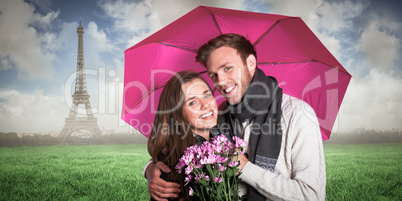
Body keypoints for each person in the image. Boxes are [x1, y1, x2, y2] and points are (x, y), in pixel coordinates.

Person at [145, 33, 326, 201]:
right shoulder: (220, 114)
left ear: (251, 63)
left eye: (228, 68)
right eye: (214, 75)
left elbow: (312, 196)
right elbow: (185, 144)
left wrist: (246, 168)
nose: (221, 82)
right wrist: (151, 169)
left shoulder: (296, 114)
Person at [146, 71, 219, 201]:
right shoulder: (176, 166)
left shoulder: (221, 138)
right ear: (177, 113)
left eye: (207, 95)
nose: (205, 105)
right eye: (192, 102)